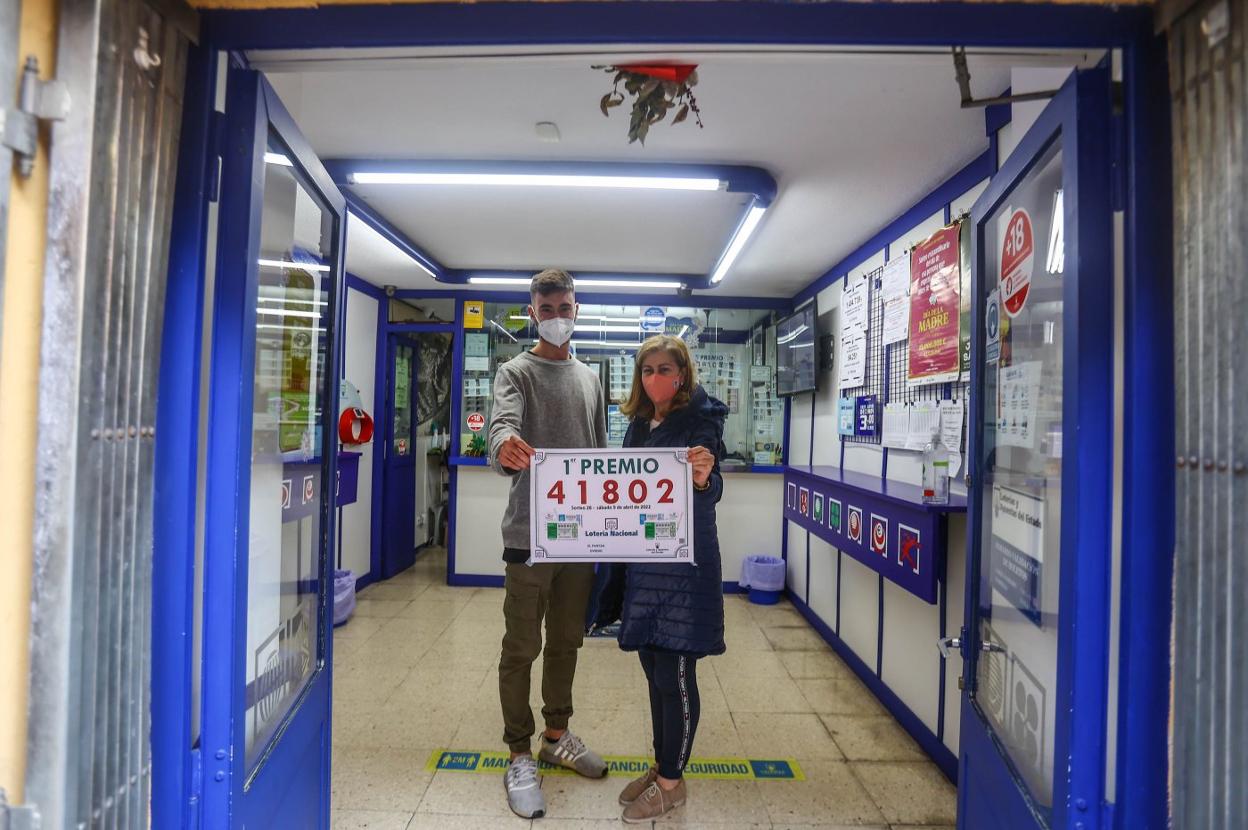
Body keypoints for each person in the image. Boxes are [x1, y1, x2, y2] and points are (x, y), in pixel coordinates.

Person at [488, 268, 610, 820]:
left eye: (566, 307)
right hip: (529, 539)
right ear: (532, 312)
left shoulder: (590, 379)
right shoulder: (514, 372)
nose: (558, 317)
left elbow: (604, 457)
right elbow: (500, 427)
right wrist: (505, 444)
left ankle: (556, 736)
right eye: (548, 308)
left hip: (580, 541)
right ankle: (519, 752)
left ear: (577, 309)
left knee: (566, 643)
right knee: (521, 649)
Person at [613, 335, 727, 823]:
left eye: (665, 369)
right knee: (651, 666)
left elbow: (713, 486)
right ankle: (663, 761)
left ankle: (671, 783)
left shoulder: (701, 423)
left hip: (685, 567)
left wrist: (703, 478)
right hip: (644, 563)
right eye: (647, 370)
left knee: (675, 673)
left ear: (682, 375)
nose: (655, 378)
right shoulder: (639, 424)